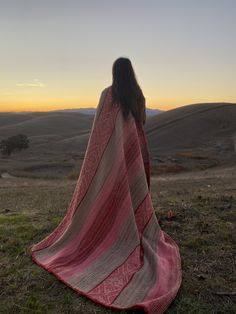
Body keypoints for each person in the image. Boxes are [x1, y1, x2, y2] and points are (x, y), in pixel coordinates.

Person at [30, 57, 182, 314]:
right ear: (131, 73)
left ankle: (114, 231)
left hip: (112, 156)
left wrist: (100, 161)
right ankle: (124, 228)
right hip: (132, 153)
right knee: (129, 197)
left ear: (114, 73)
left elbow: (100, 132)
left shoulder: (108, 94)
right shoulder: (138, 95)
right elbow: (140, 124)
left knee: (109, 195)